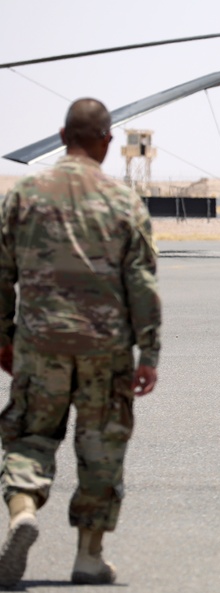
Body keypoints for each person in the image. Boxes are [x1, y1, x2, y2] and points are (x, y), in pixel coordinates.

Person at [0, 98, 161, 586]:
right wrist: (148, 352)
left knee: (30, 435)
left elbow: (1, 273)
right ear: (107, 141)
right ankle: (89, 557)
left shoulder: (22, 193)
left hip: (39, 343)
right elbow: (142, 283)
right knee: (101, 450)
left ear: (61, 135)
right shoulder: (123, 201)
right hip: (104, 348)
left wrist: (3, 336)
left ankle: (22, 513)